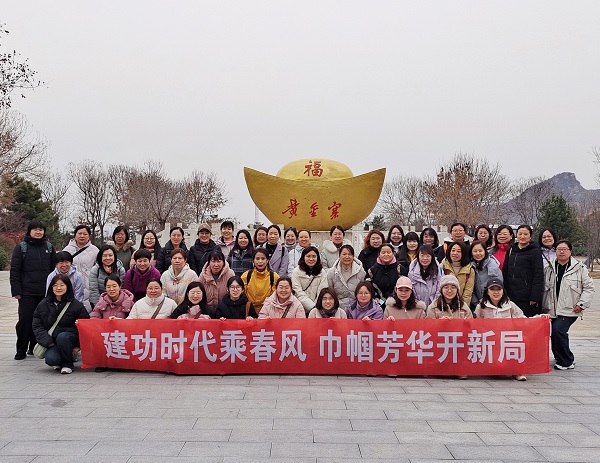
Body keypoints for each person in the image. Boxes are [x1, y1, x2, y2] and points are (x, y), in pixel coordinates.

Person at [476, 278, 550, 381]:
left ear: (503, 291)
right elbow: (475, 325)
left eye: (498, 289)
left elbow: (523, 320)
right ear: (487, 291)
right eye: (492, 289)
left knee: (524, 340)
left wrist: (539, 318)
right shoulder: (481, 307)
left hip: (508, 340)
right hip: (491, 342)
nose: (496, 292)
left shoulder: (510, 305)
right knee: (498, 368)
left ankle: (518, 371)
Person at [543, 240, 594, 370]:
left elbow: (589, 288)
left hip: (571, 308)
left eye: (564, 249)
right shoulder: (549, 267)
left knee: (558, 330)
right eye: (559, 249)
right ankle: (561, 357)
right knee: (554, 332)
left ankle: (566, 361)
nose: (561, 251)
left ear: (570, 251)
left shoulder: (579, 268)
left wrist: (581, 304)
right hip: (551, 308)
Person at [10, 220, 57, 360]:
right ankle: (21, 349)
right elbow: (15, 270)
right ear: (29, 231)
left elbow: (54, 270)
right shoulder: (22, 247)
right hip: (27, 292)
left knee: (42, 321)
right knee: (25, 320)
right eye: (35, 229)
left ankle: (34, 346)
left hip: (45, 292)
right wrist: (16, 291)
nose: (38, 232)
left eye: (41, 229)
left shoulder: (49, 247)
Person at [32, 274, 89, 374]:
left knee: (62, 337)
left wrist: (78, 346)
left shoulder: (76, 305)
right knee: (51, 359)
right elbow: (37, 325)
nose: (58, 288)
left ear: (67, 286)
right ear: (51, 287)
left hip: (69, 338)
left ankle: (68, 364)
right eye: (55, 285)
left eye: (62, 285)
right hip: (52, 341)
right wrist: (48, 342)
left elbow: (86, 326)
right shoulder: (44, 304)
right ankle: (61, 359)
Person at [502, 225, 544, 317]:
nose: (522, 236)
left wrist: (535, 296)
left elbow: (538, 275)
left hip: (526, 297)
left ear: (530, 236)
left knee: (525, 321)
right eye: (520, 234)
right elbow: (505, 272)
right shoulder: (511, 250)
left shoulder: (535, 252)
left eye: (525, 234)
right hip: (511, 295)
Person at [63, 224, 99, 311]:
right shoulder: (67, 250)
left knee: (88, 310)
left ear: (89, 236)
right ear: (75, 235)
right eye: (79, 233)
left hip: (89, 284)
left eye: (85, 234)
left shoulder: (95, 250)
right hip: (71, 283)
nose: (82, 236)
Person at [291, 246, 329, 315]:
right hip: (300, 308)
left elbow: (322, 291)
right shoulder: (296, 272)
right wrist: (312, 306)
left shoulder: (322, 272)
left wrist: (316, 307)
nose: (311, 259)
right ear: (303, 257)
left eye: (314, 256)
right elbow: (297, 291)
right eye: (308, 256)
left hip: (318, 308)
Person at [326, 244, 366, 308]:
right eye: (344, 254)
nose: (347, 257)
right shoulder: (331, 272)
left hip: (356, 307)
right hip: (336, 307)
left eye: (349, 254)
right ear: (339, 256)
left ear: (353, 256)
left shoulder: (360, 271)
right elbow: (329, 291)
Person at [241, 248, 280, 313]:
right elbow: (241, 295)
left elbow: (276, 297)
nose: (260, 261)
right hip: (249, 311)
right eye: (257, 259)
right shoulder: (246, 276)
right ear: (253, 260)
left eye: (263, 258)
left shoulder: (274, 277)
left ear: (267, 260)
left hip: (268, 311)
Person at [469, 240, 503, 312]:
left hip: (493, 305)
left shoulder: (493, 265)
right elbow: (470, 288)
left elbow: (498, 286)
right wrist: (476, 303)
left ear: (485, 251)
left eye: (480, 251)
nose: (478, 253)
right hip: (477, 306)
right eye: (475, 251)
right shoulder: (470, 266)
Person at [440, 241, 475, 306]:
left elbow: (468, 292)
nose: (455, 253)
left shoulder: (470, 270)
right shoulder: (443, 266)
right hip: (443, 304)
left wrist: (463, 307)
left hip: (461, 305)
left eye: (459, 251)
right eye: (453, 250)